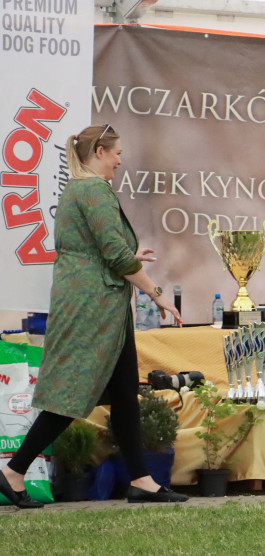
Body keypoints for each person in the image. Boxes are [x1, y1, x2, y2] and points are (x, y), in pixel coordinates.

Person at [0, 124, 189, 509]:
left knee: (123, 395)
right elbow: (115, 256)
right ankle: (13, 470)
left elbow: (100, 251)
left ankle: (141, 480)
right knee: (72, 393)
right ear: (99, 152)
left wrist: (132, 259)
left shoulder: (76, 189)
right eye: (117, 152)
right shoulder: (93, 190)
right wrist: (157, 294)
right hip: (94, 308)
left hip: (96, 305)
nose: (120, 160)